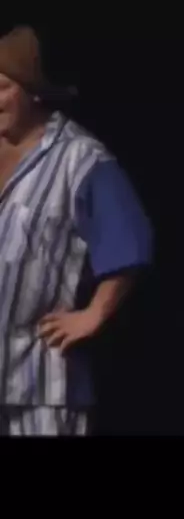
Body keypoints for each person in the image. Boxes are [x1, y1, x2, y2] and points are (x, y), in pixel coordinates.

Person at [0, 26, 154, 436]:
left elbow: (130, 242)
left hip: (39, 384)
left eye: (1, 88)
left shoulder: (80, 158)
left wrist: (94, 314)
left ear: (33, 93)